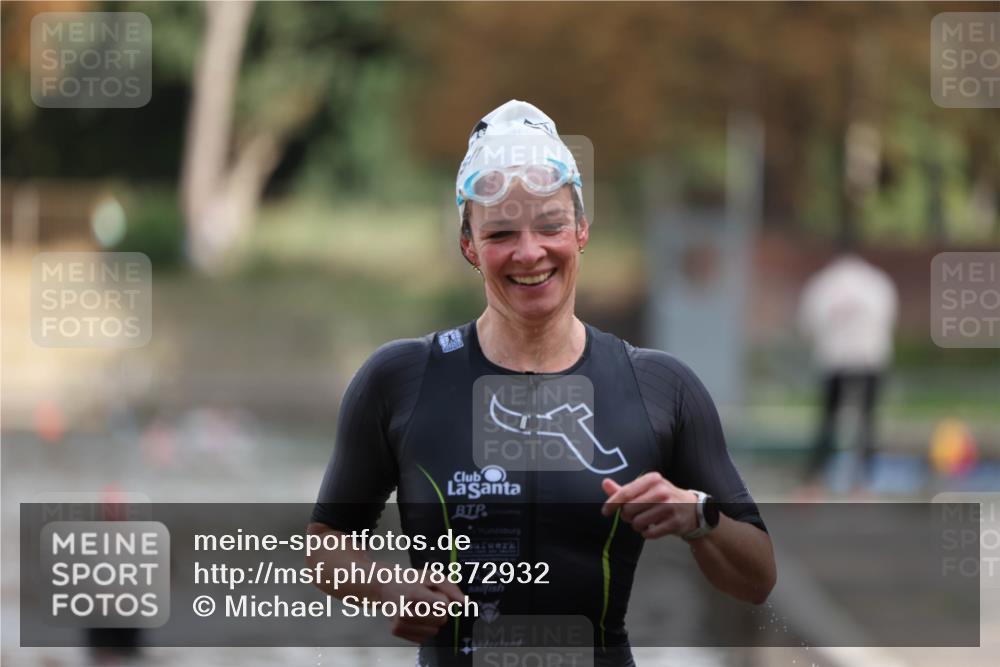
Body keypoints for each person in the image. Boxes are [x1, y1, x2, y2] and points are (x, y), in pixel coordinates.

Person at [308, 100, 776, 666]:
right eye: (501, 232)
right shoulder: (402, 379)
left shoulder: (658, 387)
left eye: (550, 225)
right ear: (469, 247)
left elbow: (757, 578)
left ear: (581, 230)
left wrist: (699, 517)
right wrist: (387, 589)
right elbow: (327, 542)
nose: (530, 252)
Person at [797, 251, 899, 494]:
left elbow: (808, 324)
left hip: (836, 360)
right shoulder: (876, 282)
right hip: (868, 360)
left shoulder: (823, 284)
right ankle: (862, 484)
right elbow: (888, 318)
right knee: (866, 422)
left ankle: (815, 482)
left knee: (829, 422)